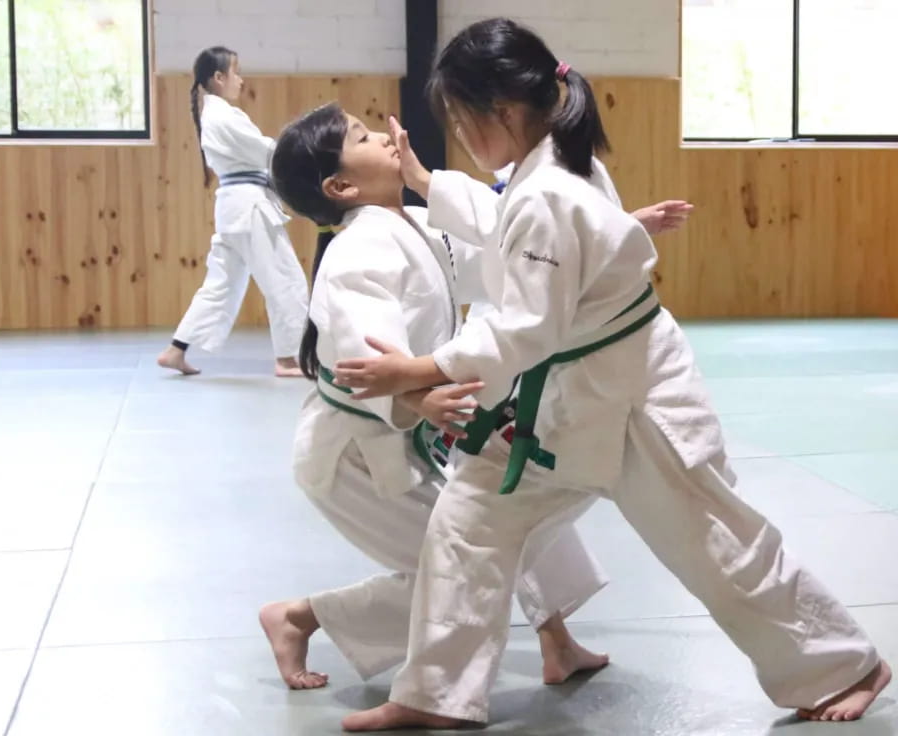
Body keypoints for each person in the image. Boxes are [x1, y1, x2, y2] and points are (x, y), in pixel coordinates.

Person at [333, 18, 890, 730]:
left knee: (713, 543)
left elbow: (528, 326)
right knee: (467, 523)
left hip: (633, 399)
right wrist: (423, 180)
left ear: (500, 113)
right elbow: (506, 221)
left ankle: (847, 665)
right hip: (562, 400)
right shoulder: (548, 166)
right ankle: (435, 695)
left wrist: (419, 367)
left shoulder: (549, 192)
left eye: (462, 119)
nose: (461, 136)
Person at [257, 103, 610, 691]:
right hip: (353, 459)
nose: (385, 139)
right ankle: (299, 617)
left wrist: (602, 237)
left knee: (509, 508)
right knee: (463, 565)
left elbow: (503, 253)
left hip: (404, 435)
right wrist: (418, 398)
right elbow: (360, 349)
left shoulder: (416, 226)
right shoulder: (355, 250)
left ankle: (558, 643)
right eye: (363, 137)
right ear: (340, 186)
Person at [156, 46, 308, 377]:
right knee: (285, 279)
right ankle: (287, 358)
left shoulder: (214, 114)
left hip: (234, 207)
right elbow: (266, 150)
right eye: (235, 73)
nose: (241, 79)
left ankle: (176, 349)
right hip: (249, 207)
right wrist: (302, 151)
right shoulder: (224, 115)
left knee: (222, 284)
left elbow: (260, 153)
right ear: (219, 77)